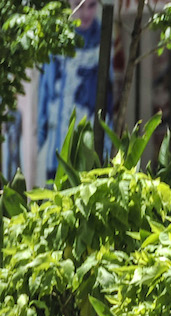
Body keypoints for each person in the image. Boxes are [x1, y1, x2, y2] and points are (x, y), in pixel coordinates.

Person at [37, 0, 113, 182]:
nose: (85, 12)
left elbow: (109, 97)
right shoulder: (56, 40)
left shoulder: (104, 38)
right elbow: (45, 93)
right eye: (79, 4)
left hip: (91, 148)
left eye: (91, 5)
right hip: (58, 145)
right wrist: (40, 138)